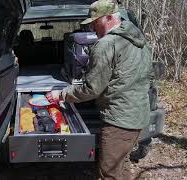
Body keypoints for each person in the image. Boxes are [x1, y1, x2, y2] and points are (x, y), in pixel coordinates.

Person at [46, 0, 154, 179]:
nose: (92, 28)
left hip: (119, 122)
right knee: (123, 163)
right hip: (138, 117)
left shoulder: (106, 44)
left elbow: (91, 89)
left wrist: (61, 94)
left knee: (109, 173)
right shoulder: (139, 41)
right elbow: (149, 78)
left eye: (96, 22)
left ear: (110, 17)